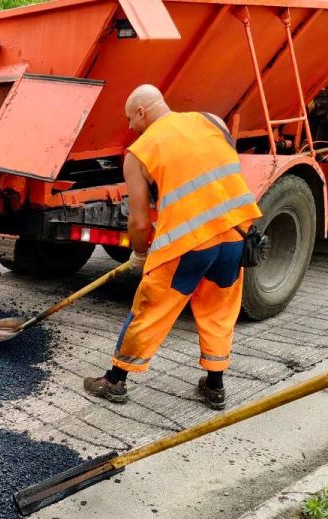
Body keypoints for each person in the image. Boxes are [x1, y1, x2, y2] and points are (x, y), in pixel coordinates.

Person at [84, 85, 262, 410]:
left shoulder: (139, 153)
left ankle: (115, 380)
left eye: (129, 119)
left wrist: (139, 254)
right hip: (236, 235)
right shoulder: (211, 121)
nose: (129, 127)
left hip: (188, 245)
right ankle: (215, 386)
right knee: (219, 311)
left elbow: (139, 222)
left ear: (141, 112)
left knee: (150, 309)